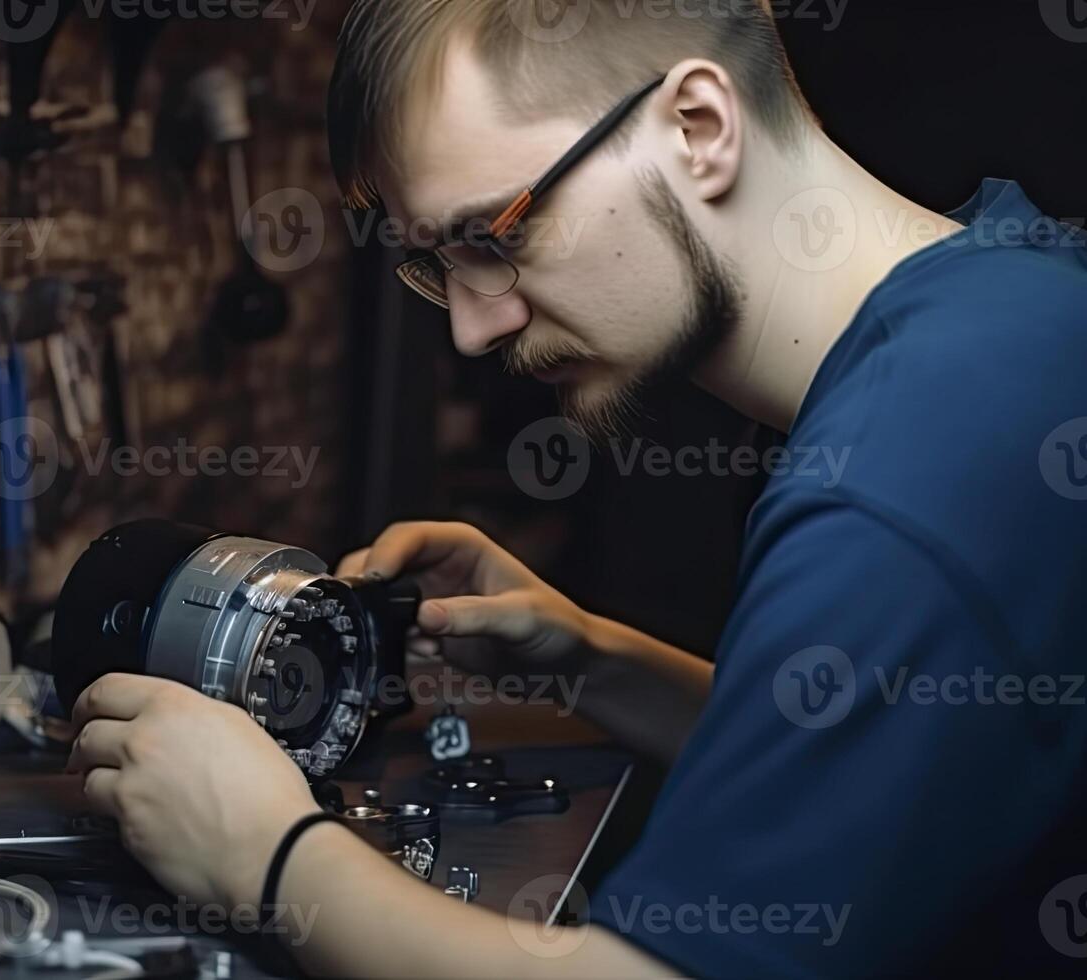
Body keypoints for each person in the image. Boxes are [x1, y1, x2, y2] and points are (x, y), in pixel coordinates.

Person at [65, 2, 1087, 974]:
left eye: (495, 236)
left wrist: (266, 852)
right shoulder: (1003, 304)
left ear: (697, 127)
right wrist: (588, 656)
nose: (474, 327)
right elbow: (880, 772)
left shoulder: (898, 480)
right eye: (437, 265)